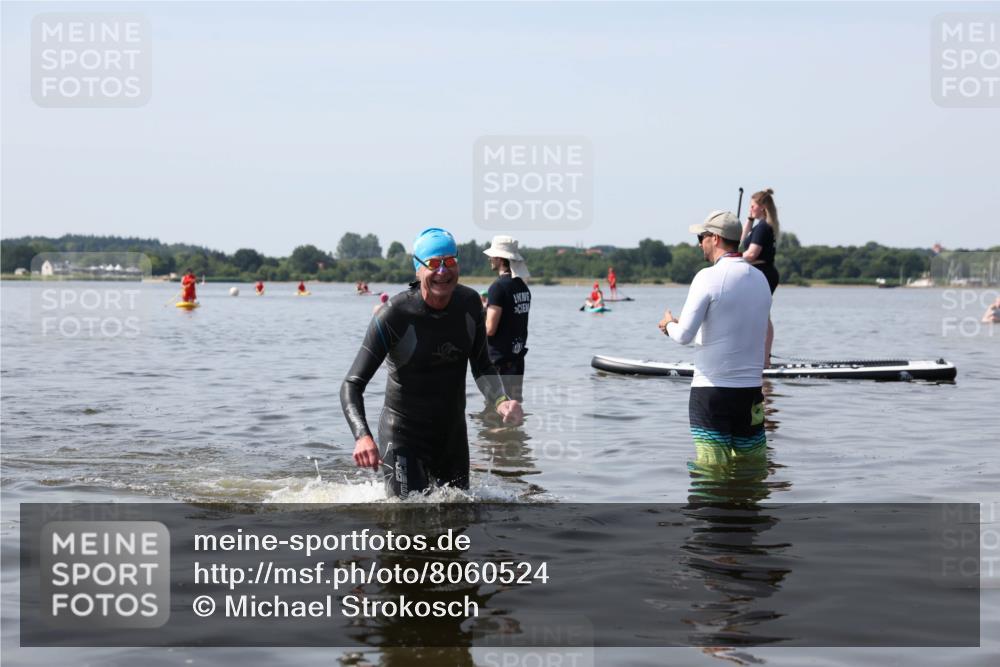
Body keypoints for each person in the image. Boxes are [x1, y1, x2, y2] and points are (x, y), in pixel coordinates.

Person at [341, 227, 523, 497]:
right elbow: (352, 384)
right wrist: (362, 436)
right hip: (403, 436)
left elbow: (482, 365)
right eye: (434, 263)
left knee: (459, 515)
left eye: (449, 262)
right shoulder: (394, 315)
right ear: (418, 269)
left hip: (452, 437)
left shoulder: (470, 304)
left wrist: (501, 401)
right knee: (408, 517)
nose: (442, 271)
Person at [658, 210, 772, 467]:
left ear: (716, 238)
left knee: (712, 473)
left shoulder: (707, 277)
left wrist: (669, 324)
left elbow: (684, 336)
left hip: (712, 393)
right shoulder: (761, 279)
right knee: (751, 469)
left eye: (702, 237)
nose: (699, 243)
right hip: (751, 394)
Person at [483, 235, 532, 403]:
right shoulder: (523, 287)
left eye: (492, 255)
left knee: (496, 408)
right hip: (517, 360)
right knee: (515, 407)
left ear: (499, 258)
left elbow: (490, 329)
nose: (489, 259)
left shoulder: (497, 287)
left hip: (499, 362)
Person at [741, 188, 780, 367]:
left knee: (763, 316)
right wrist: (749, 220)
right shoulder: (759, 226)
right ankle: (761, 358)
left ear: (762, 207)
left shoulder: (763, 227)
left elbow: (751, 254)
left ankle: (764, 360)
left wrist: (731, 259)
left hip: (763, 274)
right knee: (759, 315)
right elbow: (742, 241)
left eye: (752, 206)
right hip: (761, 274)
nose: (750, 209)